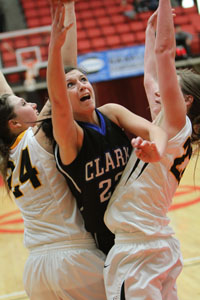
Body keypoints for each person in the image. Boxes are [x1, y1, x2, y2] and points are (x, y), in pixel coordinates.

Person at [0, 1, 107, 299]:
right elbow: (66, 72)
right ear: (14, 123)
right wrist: (68, 10)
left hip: (35, 269)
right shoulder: (40, 136)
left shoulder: (7, 156)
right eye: (24, 104)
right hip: (73, 257)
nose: (32, 103)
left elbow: (4, 95)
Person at [47, 1, 168, 255]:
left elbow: (156, 131)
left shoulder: (112, 112)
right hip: (108, 240)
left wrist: (157, 149)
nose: (81, 85)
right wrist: (54, 48)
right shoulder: (71, 137)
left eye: (83, 79)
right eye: (70, 85)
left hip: (143, 220)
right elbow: (57, 101)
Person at [103, 0, 200, 299]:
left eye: (169, 88)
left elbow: (164, 54)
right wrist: (148, 30)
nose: (158, 90)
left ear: (185, 101)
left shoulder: (175, 121)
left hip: (139, 247)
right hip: (156, 241)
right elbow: (149, 76)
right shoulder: (167, 126)